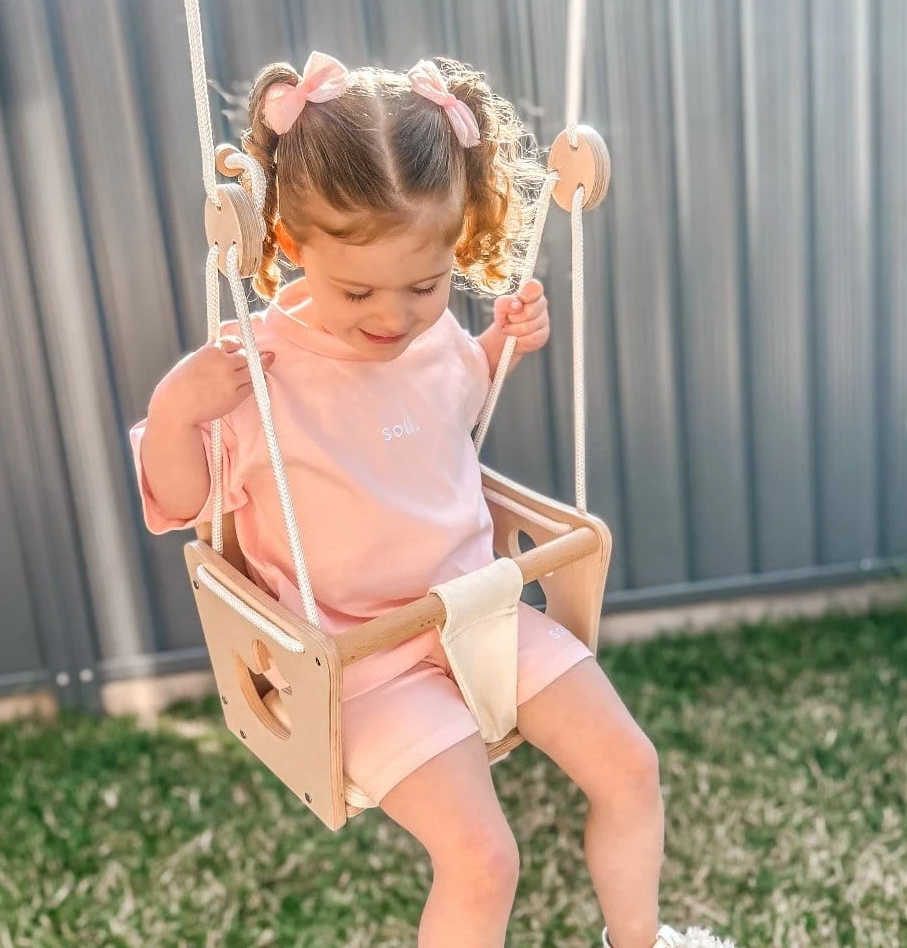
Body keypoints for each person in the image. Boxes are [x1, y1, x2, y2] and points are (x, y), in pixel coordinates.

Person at [130, 51, 682, 948]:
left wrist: (502, 340)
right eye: (358, 290)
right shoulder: (256, 371)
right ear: (290, 244)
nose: (392, 317)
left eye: (424, 286)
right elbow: (184, 501)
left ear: (453, 249)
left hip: (480, 610)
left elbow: (452, 403)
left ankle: (642, 941)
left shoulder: (434, 340)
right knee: (484, 858)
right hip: (361, 665)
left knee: (630, 765)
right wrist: (174, 411)